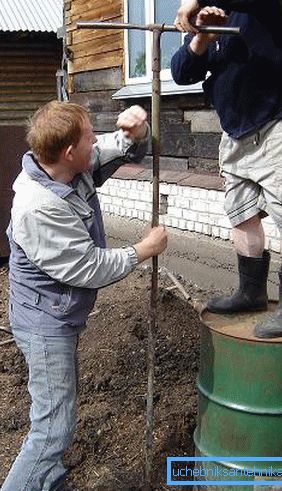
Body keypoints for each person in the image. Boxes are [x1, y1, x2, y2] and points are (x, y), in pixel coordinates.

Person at [2, 101, 167, 491]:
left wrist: (136, 131)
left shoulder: (65, 166)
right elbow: (88, 268)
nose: (98, 139)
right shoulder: (39, 207)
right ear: (69, 152)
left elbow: (122, 147)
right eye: (90, 135)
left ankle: (48, 483)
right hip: (45, 324)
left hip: (57, 315)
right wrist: (143, 250)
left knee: (57, 412)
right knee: (52, 430)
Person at [171, 0, 282, 339]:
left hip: (281, 122)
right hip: (236, 131)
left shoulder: (266, 6)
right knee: (241, 212)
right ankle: (251, 292)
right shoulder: (216, 17)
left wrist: (191, 2)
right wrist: (201, 37)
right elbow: (180, 72)